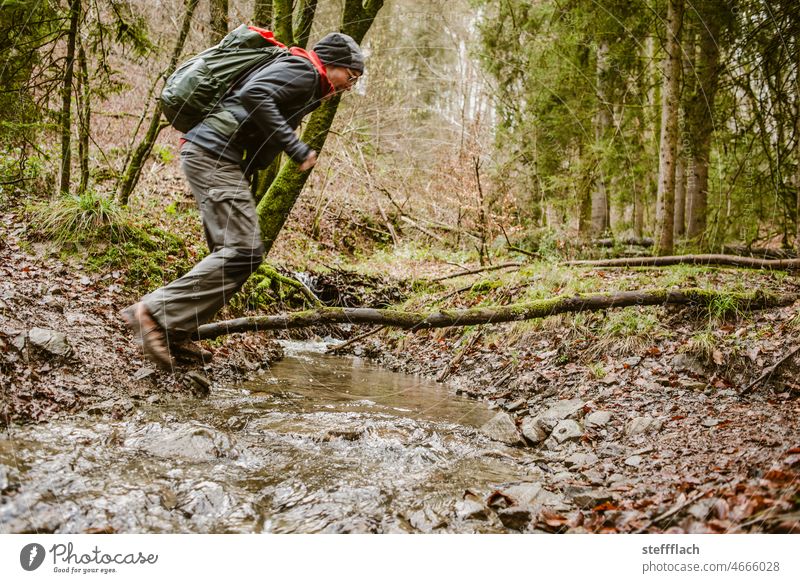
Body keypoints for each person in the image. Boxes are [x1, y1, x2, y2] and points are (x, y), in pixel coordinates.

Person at [121, 31, 364, 369]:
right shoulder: (304, 71)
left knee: (231, 255)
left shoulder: (304, 80)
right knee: (244, 251)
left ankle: (176, 330)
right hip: (212, 154)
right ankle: (152, 312)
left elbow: (255, 117)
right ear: (332, 64)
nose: (349, 86)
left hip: (216, 155)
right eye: (349, 77)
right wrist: (296, 148)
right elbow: (255, 94)